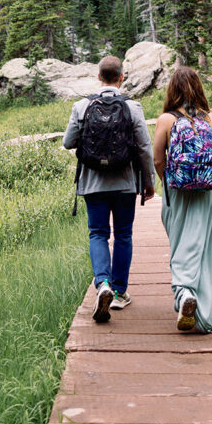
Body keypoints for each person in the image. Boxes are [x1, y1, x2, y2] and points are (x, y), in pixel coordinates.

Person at [153, 66, 212, 333]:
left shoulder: (166, 120)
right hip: (209, 193)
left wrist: (168, 181)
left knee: (183, 242)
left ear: (172, 89)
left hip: (179, 193)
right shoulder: (211, 119)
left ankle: (185, 294)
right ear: (198, 88)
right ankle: (205, 300)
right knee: (207, 246)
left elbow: (158, 159)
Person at [64, 54, 155, 323]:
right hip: (125, 182)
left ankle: (101, 283)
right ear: (121, 77)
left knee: (98, 234)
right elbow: (144, 147)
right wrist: (148, 180)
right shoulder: (133, 107)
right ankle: (118, 292)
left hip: (93, 183)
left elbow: (69, 142)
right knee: (123, 235)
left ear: (98, 77)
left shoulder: (82, 106)